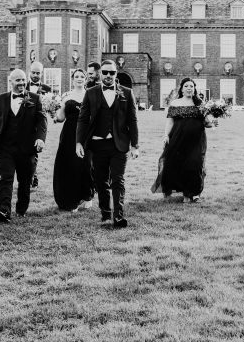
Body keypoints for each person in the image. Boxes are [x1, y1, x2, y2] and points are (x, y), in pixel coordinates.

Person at [75, 59, 140, 229]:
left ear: (116, 74)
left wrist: (135, 145)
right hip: (97, 144)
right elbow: (82, 119)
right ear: (100, 73)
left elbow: (132, 120)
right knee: (101, 181)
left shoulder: (127, 92)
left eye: (112, 72)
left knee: (118, 180)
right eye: (105, 72)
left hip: (119, 144)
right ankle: (105, 214)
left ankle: (118, 217)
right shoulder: (91, 92)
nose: (108, 75)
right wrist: (79, 142)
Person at [0, 69, 47, 223]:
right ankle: (4, 211)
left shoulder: (35, 98)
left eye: (23, 80)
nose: (21, 83)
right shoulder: (0, 99)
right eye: (17, 80)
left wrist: (40, 139)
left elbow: (42, 121)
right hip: (5, 148)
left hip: (27, 149)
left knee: (25, 181)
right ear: (10, 82)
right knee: (6, 179)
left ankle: (21, 210)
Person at [151, 77, 215, 203]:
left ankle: (194, 193)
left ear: (194, 89)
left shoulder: (200, 103)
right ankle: (182, 191)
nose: (189, 88)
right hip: (178, 138)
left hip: (197, 140)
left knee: (195, 164)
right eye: (186, 86)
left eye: (191, 86)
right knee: (177, 163)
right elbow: (170, 122)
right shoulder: (175, 103)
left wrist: (212, 123)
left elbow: (206, 123)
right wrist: (166, 136)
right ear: (181, 89)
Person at [52, 68, 95, 212]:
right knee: (70, 165)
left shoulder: (90, 95)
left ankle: (87, 196)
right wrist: (54, 115)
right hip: (69, 134)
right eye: (76, 76)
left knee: (86, 165)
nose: (79, 78)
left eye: (82, 76)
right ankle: (72, 199)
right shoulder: (66, 96)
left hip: (85, 134)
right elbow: (61, 117)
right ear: (72, 78)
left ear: (85, 79)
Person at [26, 61, 52, 189]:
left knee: (33, 152)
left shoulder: (47, 89)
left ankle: (32, 178)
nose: (35, 75)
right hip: (24, 125)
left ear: (42, 73)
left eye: (38, 73)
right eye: (33, 72)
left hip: (39, 126)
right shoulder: (22, 86)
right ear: (29, 71)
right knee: (26, 153)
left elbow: (50, 107)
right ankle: (32, 177)